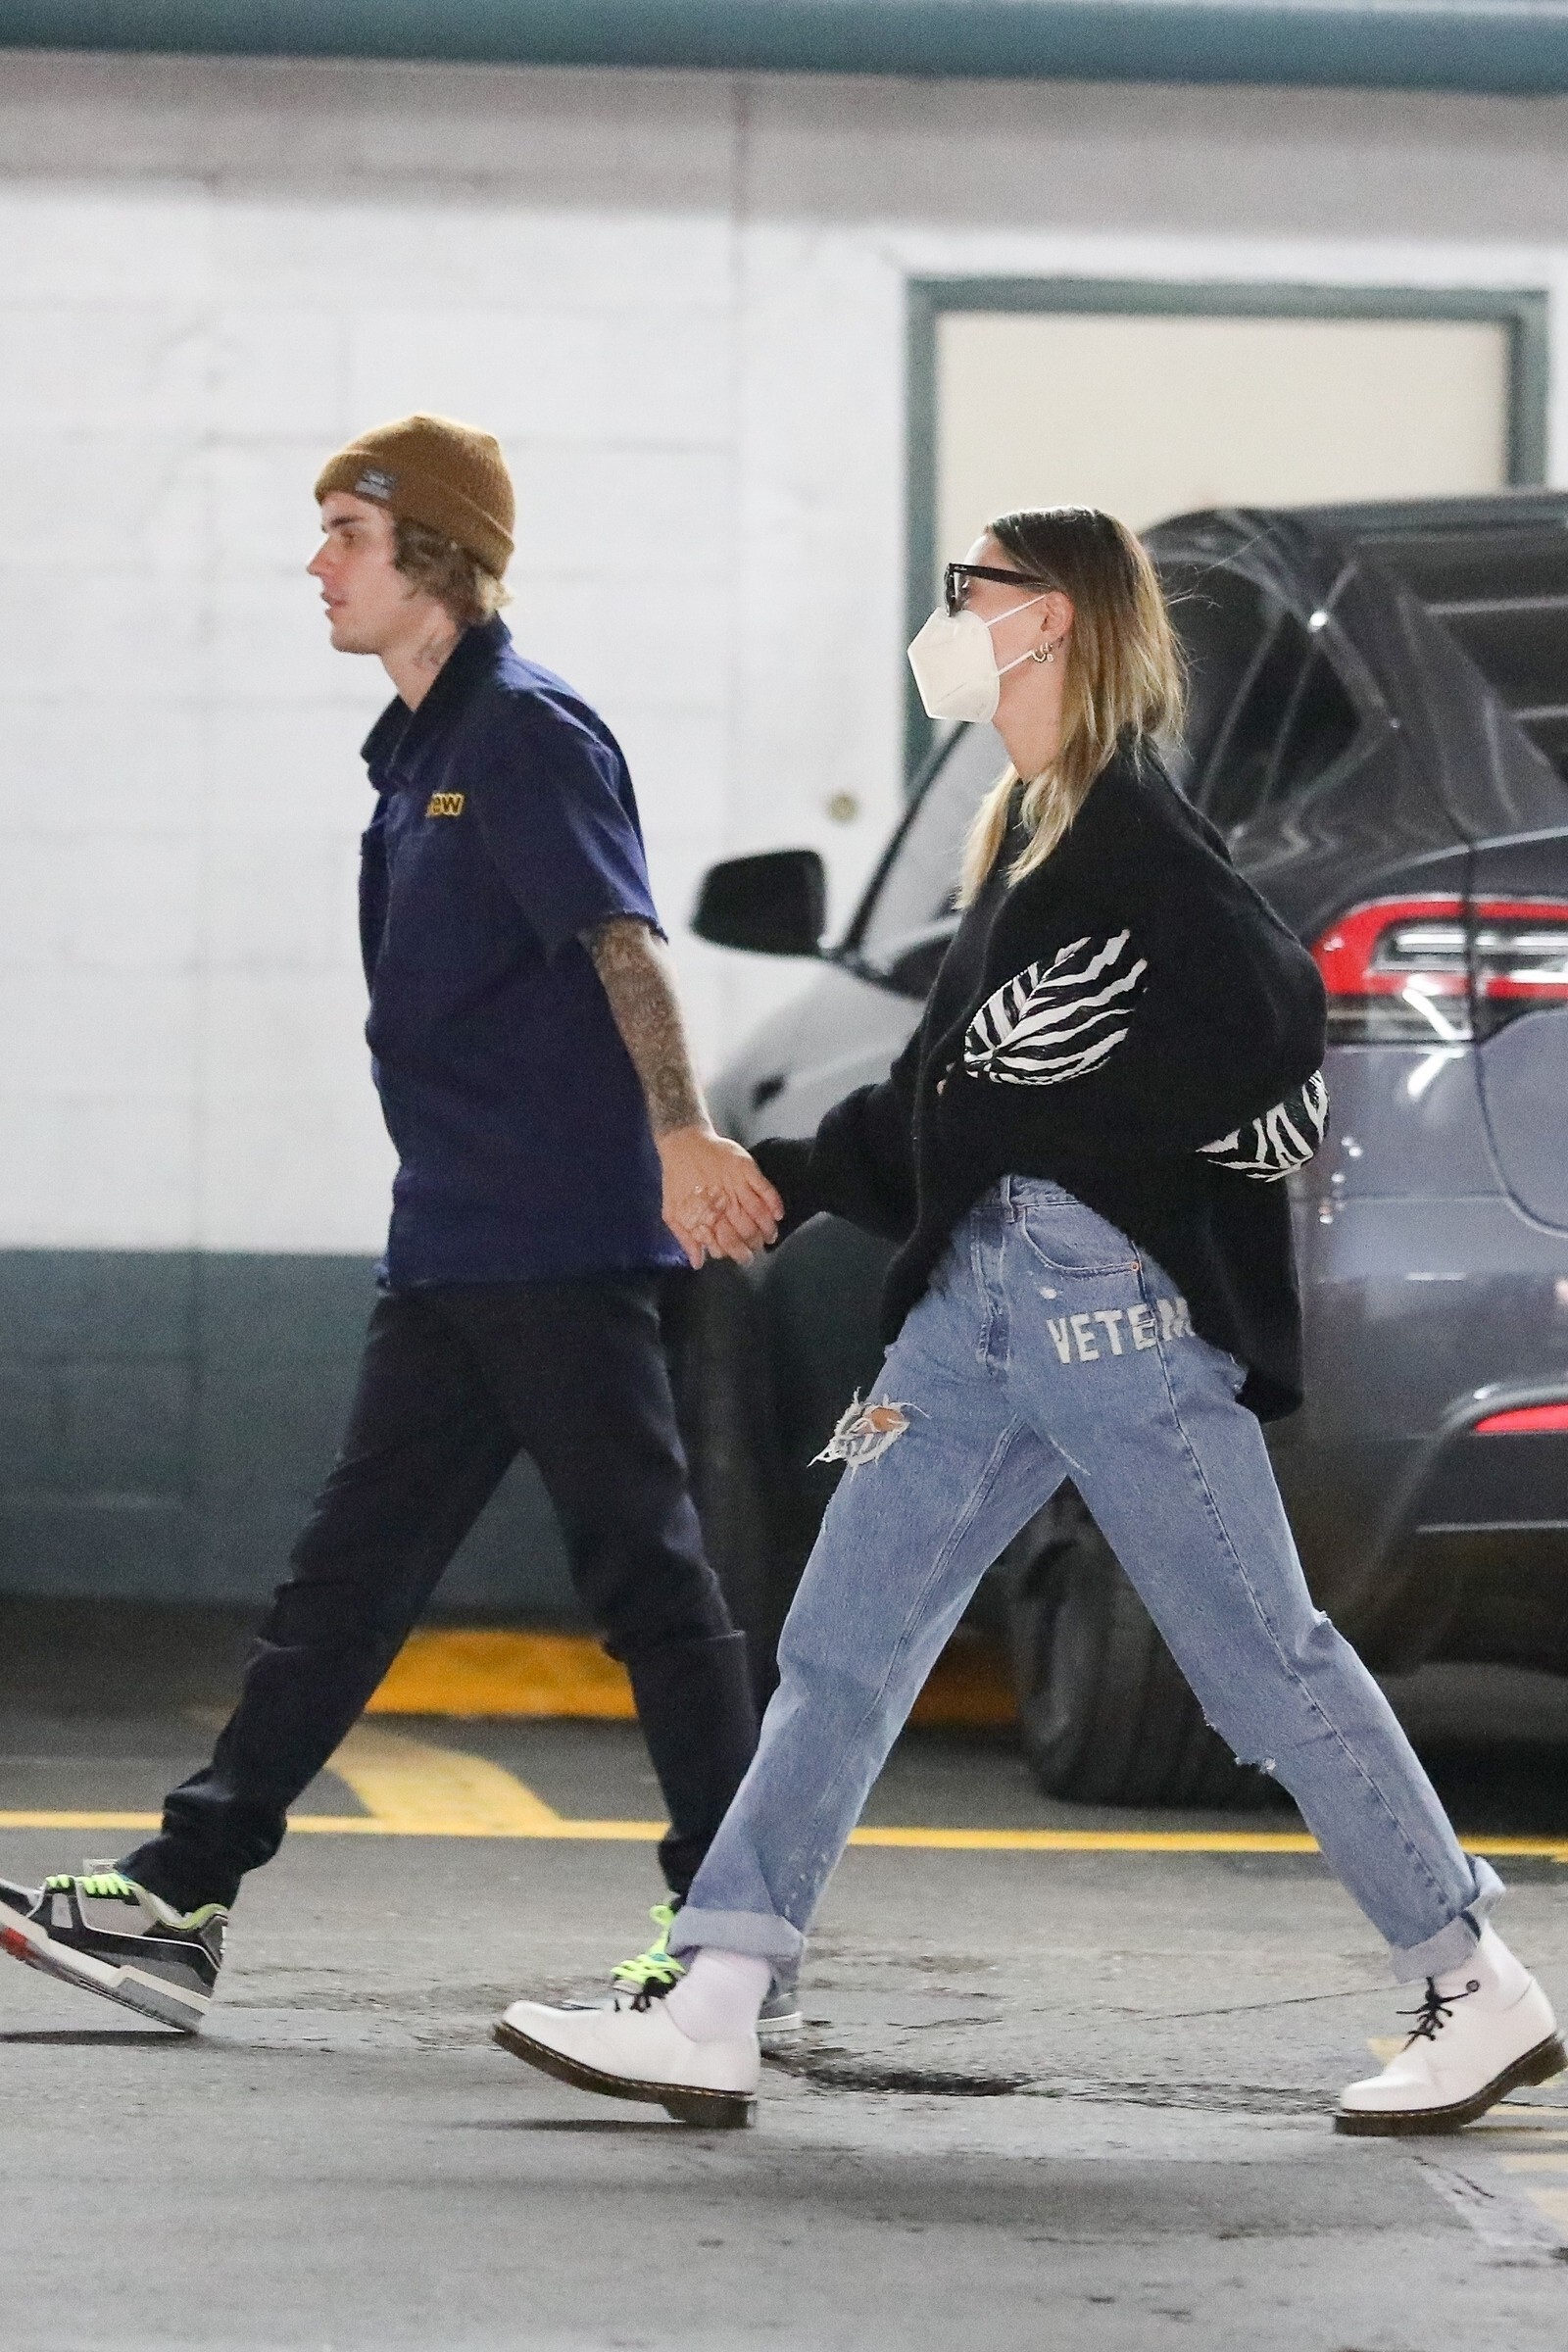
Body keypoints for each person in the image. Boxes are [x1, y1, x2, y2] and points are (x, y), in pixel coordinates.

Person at [495, 505, 1562, 2135]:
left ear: (1047, 618)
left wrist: (1100, 1156)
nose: (947, 618)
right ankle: (714, 2002)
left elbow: (1271, 1026)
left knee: (1261, 1661)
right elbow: (951, 1099)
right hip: (974, 1307)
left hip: (1098, 1300)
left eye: (969, 590)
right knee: (844, 1649)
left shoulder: (1138, 836)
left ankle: (1474, 1985)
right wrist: (781, 1178)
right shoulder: (1033, 832)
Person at [0, 412, 791, 2035]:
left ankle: (738, 1938)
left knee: (646, 1579)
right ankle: (183, 1893)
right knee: (347, 1580)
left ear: (435, 556)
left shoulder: (523, 731)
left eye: (345, 539)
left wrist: (679, 1134)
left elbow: (622, 943)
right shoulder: (417, 749)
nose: (317, 567)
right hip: (456, 1238)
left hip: (556, 1238)